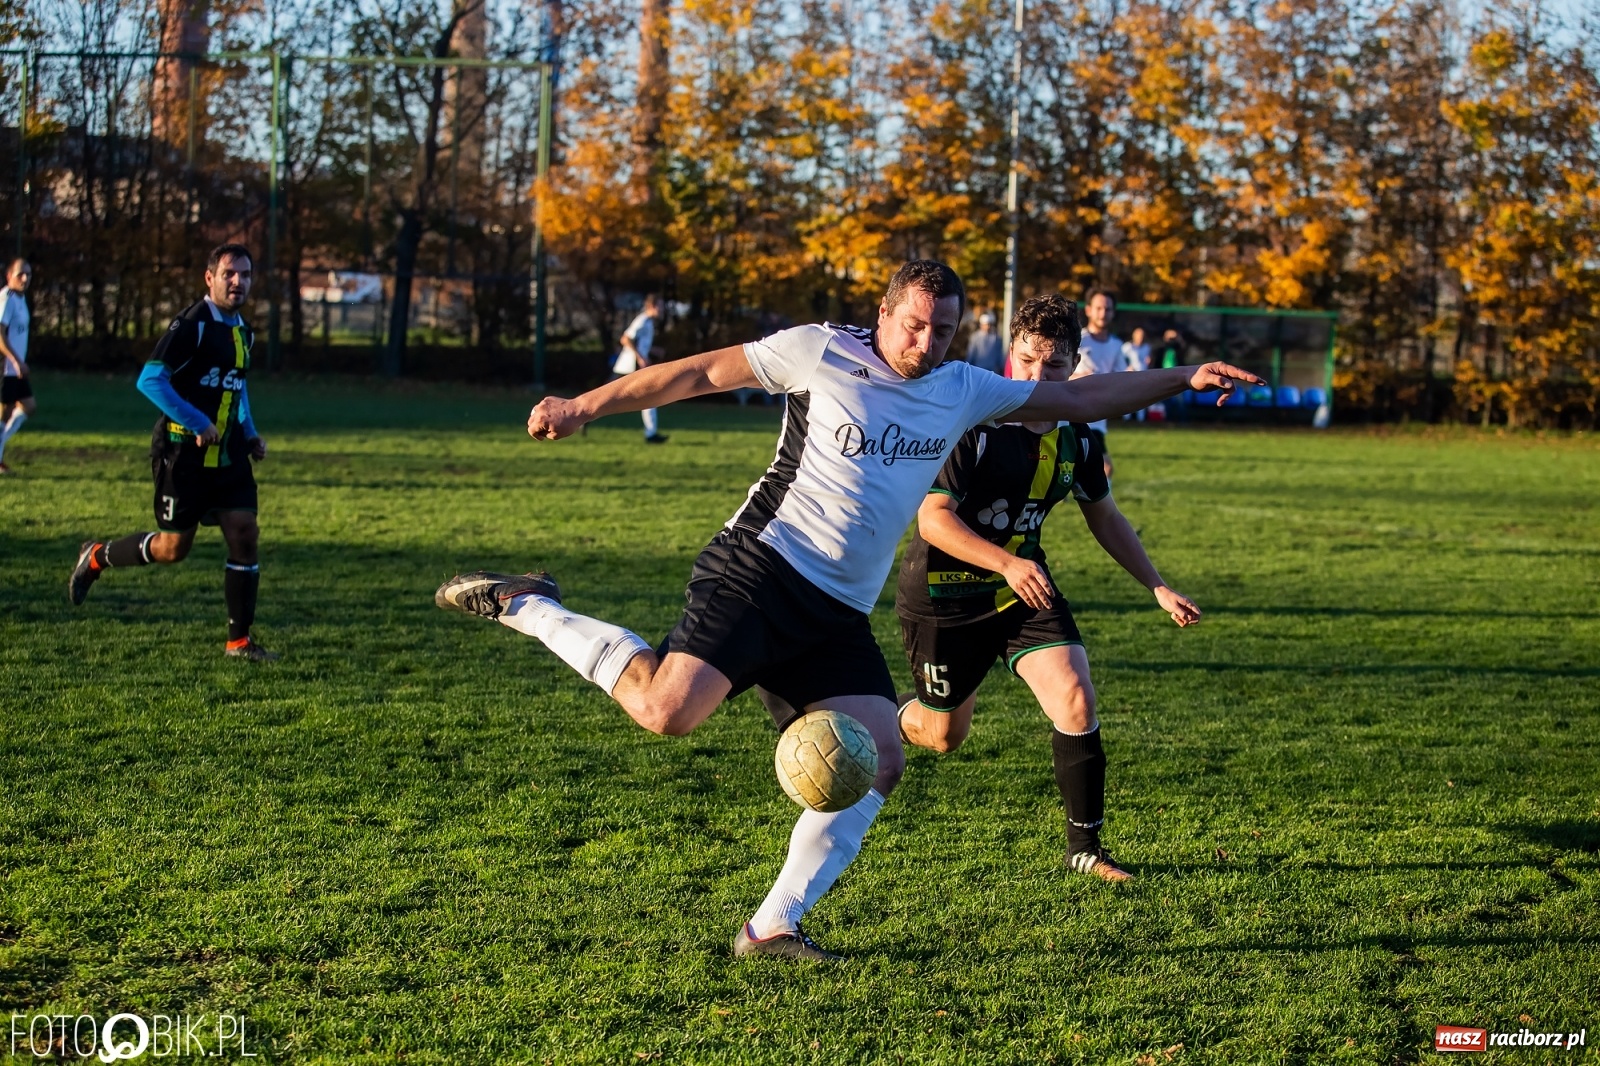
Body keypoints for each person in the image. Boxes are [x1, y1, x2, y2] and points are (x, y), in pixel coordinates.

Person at [434, 260, 1260, 961]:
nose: (924, 343)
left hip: (836, 612)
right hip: (760, 568)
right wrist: (586, 405)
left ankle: (771, 928)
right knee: (665, 710)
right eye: (913, 325)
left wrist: (1185, 375)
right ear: (885, 313)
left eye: (941, 331)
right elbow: (697, 373)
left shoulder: (964, 389)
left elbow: (1082, 402)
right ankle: (530, 605)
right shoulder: (817, 352)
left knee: (881, 758)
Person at [894, 294, 1200, 883]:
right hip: (945, 593)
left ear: (1075, 365)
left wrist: (1156, 585)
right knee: (943, 736)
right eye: (1028, 361)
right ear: (1011, 355)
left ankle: (1085, 849)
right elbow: (933, 520)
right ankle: (890, 716)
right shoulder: (975, 425)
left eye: (1054, 368)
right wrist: (1004, 564)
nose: (1038, 379)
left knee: (1075, 696)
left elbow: (1105, 517)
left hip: (1024, 590)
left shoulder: (1080, 438)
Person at [68, 243, 278, 662]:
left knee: (244, 533)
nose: (238, 281)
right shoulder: (192, 325)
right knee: (172, 549)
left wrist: (250, 433)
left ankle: (239, 643)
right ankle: (97, 556)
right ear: (210, 278)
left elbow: (237, 387)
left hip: (229, 454)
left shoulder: (245, 332)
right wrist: (198, 420)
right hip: (183, 454)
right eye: (229, 273)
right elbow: (150, 381)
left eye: (246, 274)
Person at [1072, 288, 1124, 479]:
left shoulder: (1116, 345)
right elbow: (1057, 376)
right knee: (1104, 467)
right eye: (1099, 308)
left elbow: (1120, 378)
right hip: (1069, 413)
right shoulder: (1077, 341)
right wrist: (1080, 378)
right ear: (1088, 310)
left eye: (1107, 309)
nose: (1103, 313)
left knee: (1101, 468)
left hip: (1097, 418)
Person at [610, 294, 667, 443]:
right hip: (628, 366)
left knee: (650, 396)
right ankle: (583, 418)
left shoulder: (648, 323)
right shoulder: (642, 320)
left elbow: (640, 343)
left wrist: (654, 350)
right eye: (660, 305)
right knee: (604, 397)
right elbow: (625, 339)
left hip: (632, 366)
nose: (662, 309)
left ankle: (651, 433)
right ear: (652, 306)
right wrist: (640, 357)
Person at [0, 257, 35, 474]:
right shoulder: (6, 298)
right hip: (6, 367)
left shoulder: (21, 299)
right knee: (4, 413)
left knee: (28, 407)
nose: (25, 278)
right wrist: (15, 360)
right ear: (9, 276)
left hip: (17, 368)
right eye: (20, 274)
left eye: (28, 274)